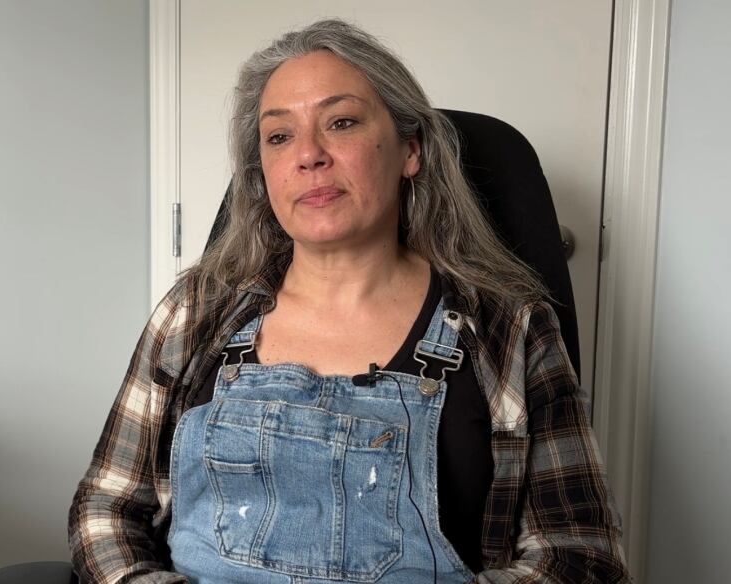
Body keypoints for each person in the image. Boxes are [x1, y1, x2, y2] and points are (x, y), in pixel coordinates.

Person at [69, 19, 631, 584]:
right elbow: (108, 506)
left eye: (341, 123)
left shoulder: (510, 327)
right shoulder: (195, 312)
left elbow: (579, 555)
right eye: (280, 136)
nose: (309, 155)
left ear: (410, 150)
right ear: (263, 174)